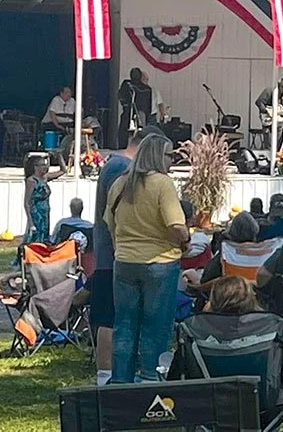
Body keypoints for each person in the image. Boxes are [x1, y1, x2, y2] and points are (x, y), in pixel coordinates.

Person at [104, 133, 190, 383]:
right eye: (170, 155)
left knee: (124, 325)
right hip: (159, 263)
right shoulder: (162, 183)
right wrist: (186, 240)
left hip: (124, 262)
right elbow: (176, 224)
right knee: (156, 326)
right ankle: (151, 379)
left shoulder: (120, 184)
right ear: (157, 156)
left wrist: (121, 248)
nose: (172, 160)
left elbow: (110, 223)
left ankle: (121, 381)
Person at [90, 126, 163, 385]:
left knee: (120, 316)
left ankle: (119, 372)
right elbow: (121, 213)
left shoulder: (115, 164)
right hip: (114, 254)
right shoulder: (121, 168)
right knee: (110, 316)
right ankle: (105, 375)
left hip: (116, 252)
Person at [194, 210, 261, 290]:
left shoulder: (227, 254)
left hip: (227, 293)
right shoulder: (261, 254)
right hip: (252, 293)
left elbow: (206, 279)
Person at [22, 151, 68, 244]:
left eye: (46, 164)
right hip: (36, 213)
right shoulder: (31, 181)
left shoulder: (45, 178)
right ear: (35, 167)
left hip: (45, 212)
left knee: (44, 235)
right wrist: (30, 221)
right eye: (42, 165)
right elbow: (27, 202)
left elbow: (63, 171)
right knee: (36, 236)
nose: (45, 167)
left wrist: (59, 155)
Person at [117, 68, 153, 148]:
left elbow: (120, 95)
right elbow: (121, 96)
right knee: (128, 129)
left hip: (135, 112)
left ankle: (126, 146)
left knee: (126, 129)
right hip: (135, 112)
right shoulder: (146, 88)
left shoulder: (128, 84)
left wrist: (124, 104)